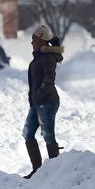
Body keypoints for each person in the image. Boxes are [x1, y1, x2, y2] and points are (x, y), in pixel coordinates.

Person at [23, 24, 63, 178]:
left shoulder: (47, 58)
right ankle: (37, 171)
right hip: (37, 103)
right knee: (28, 133)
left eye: (34, 39)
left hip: (47, 102)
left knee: (48, 135)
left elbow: (49, 81)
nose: (31, 42)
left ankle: (56, 172)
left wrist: (38, 95)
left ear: (41, 40)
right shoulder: (40, 56)